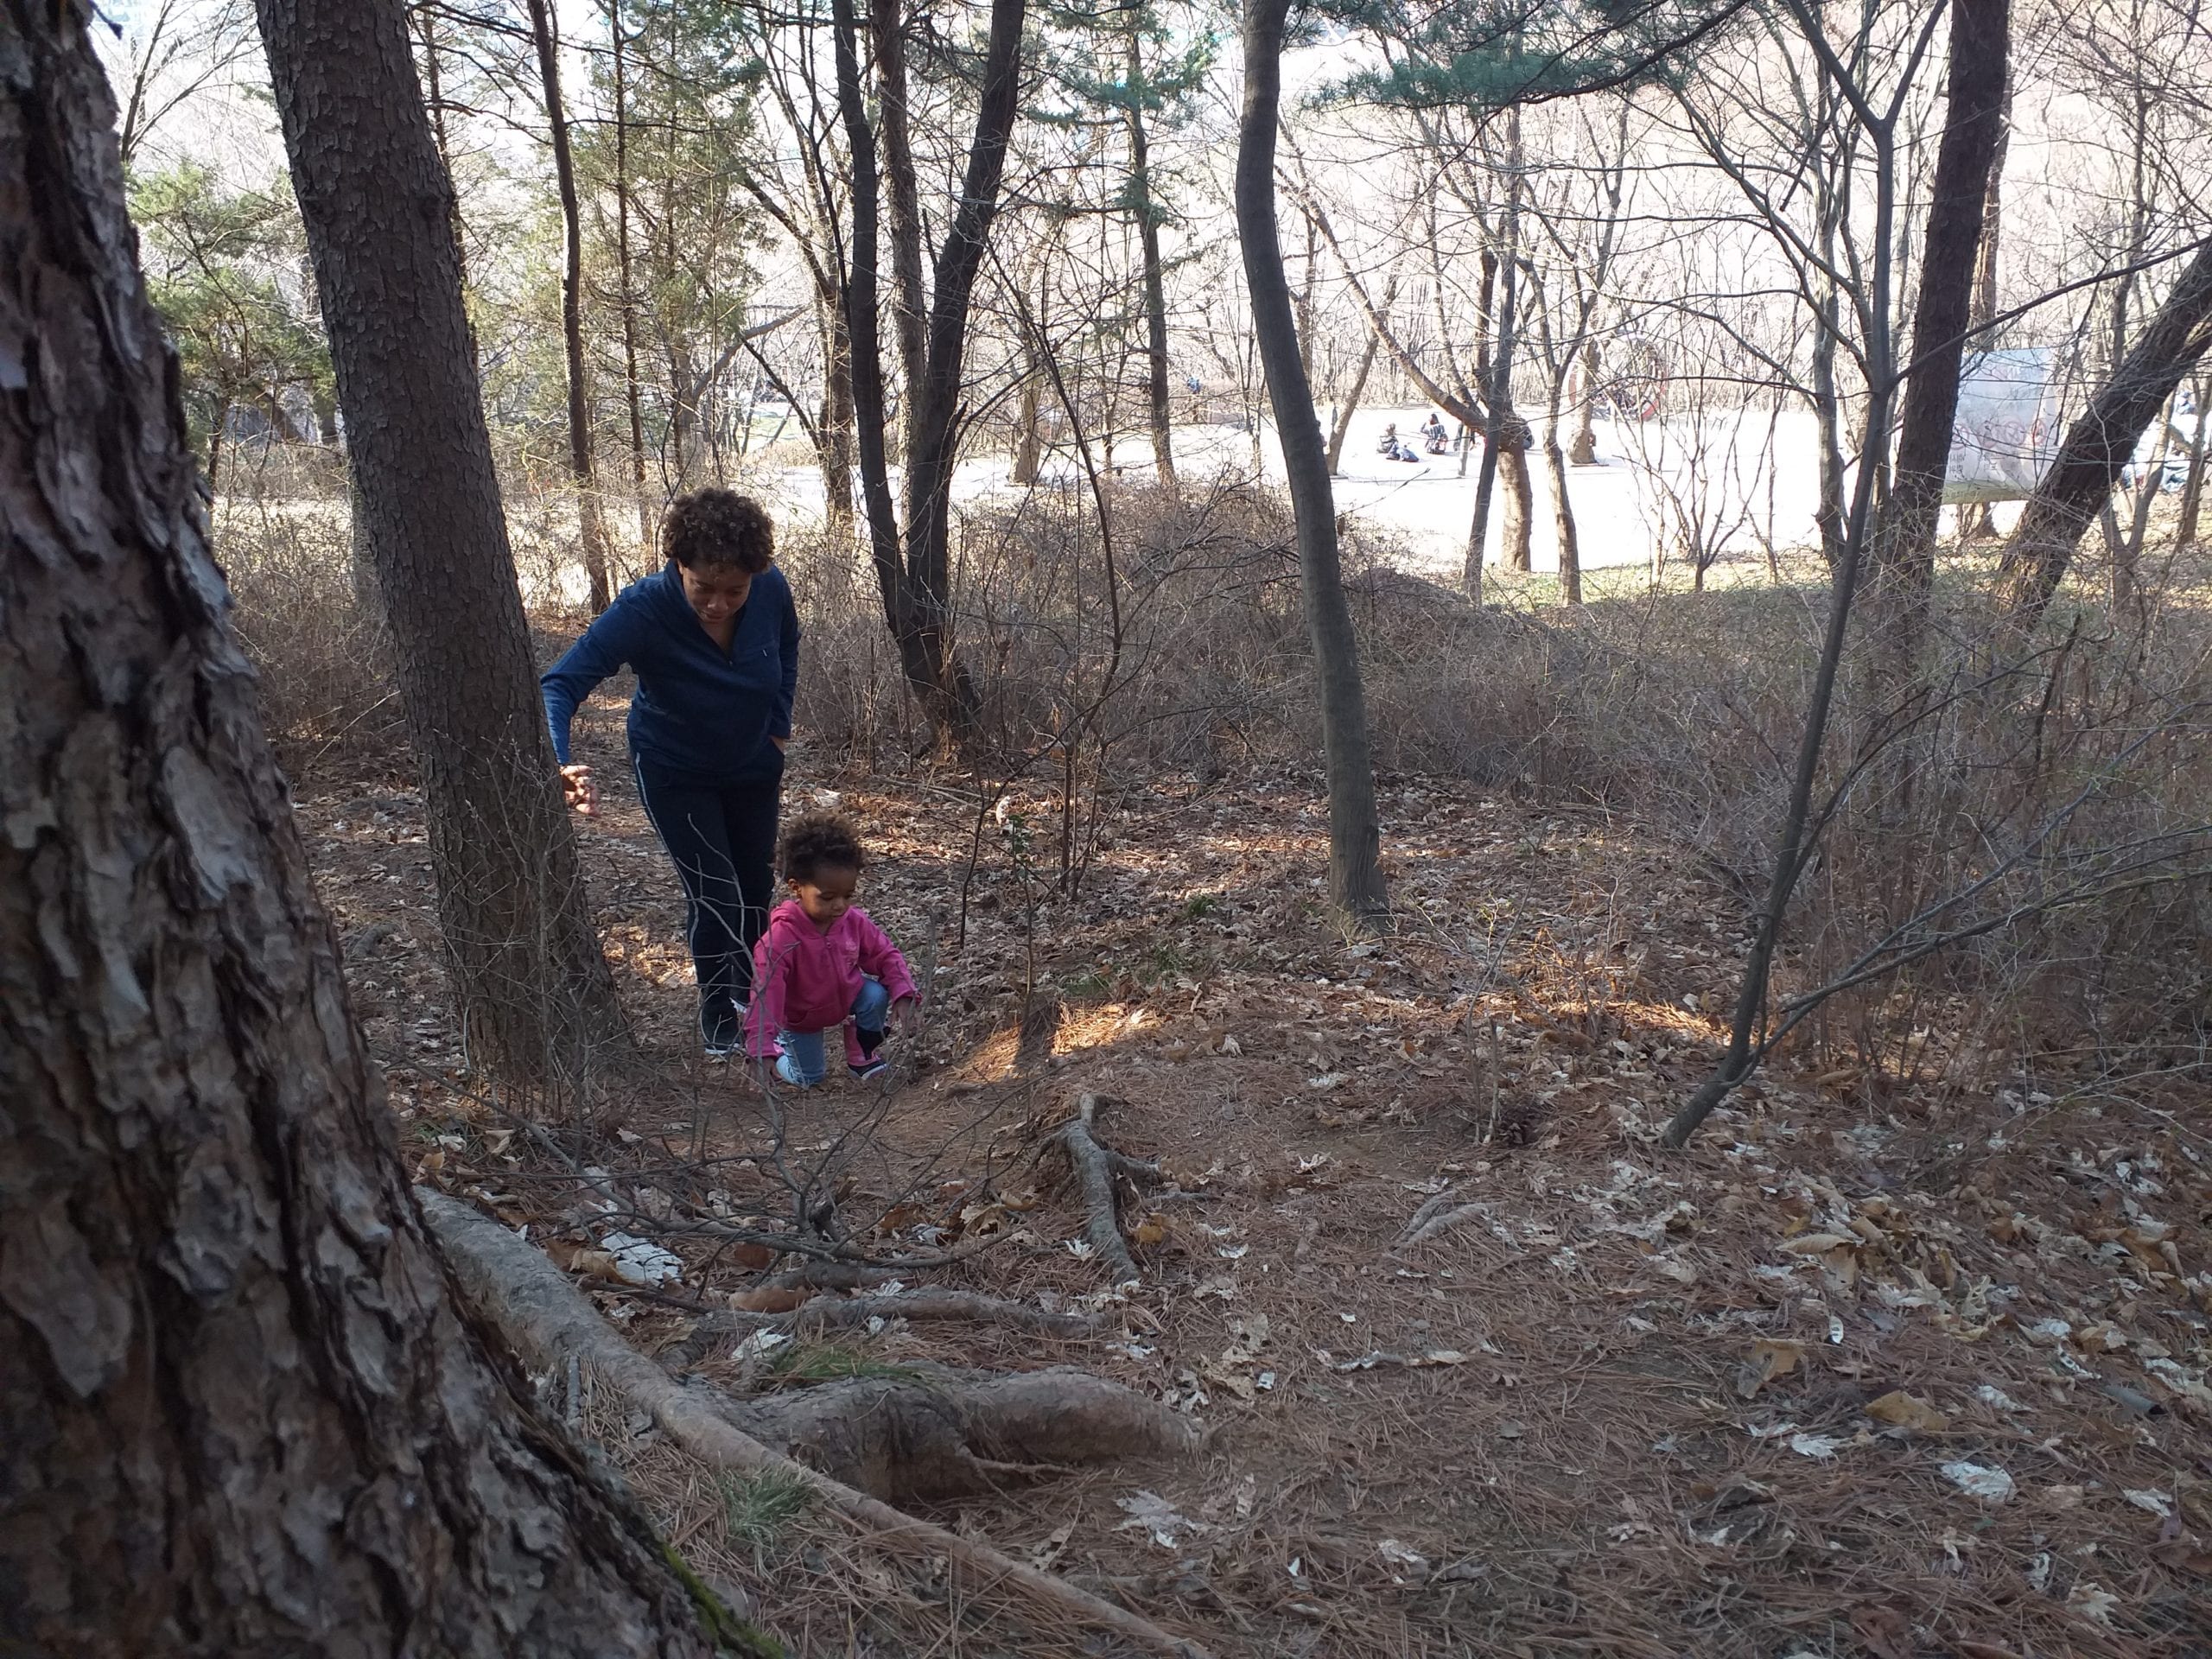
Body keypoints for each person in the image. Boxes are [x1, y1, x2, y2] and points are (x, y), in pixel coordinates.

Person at [541, 488, 799, 1058]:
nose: (718, 604)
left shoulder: (771, 589)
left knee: (755, 890)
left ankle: (753, 1001)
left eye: (735, 591)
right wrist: (557, 758)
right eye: (703, 587)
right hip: (674, 768)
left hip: (753, 763)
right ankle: (718, 1015)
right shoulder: (643, 609)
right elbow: (560, 684)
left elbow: (787, 646)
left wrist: (778, 726)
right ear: (678, 566)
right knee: (717, 895)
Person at [746, 813, 918, 1085]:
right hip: (801, 1018)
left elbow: (885, 955)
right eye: (827, 897)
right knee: (809, 1078)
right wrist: (760, 1047)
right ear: (797, 888)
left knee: (873, 994)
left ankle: (862, 1055)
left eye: (847, 896)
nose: (839, 905)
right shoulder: (780, 938)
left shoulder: (852, 921)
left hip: (845, 997)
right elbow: (766, 992)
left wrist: (903, 994)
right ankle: (779, 1053)